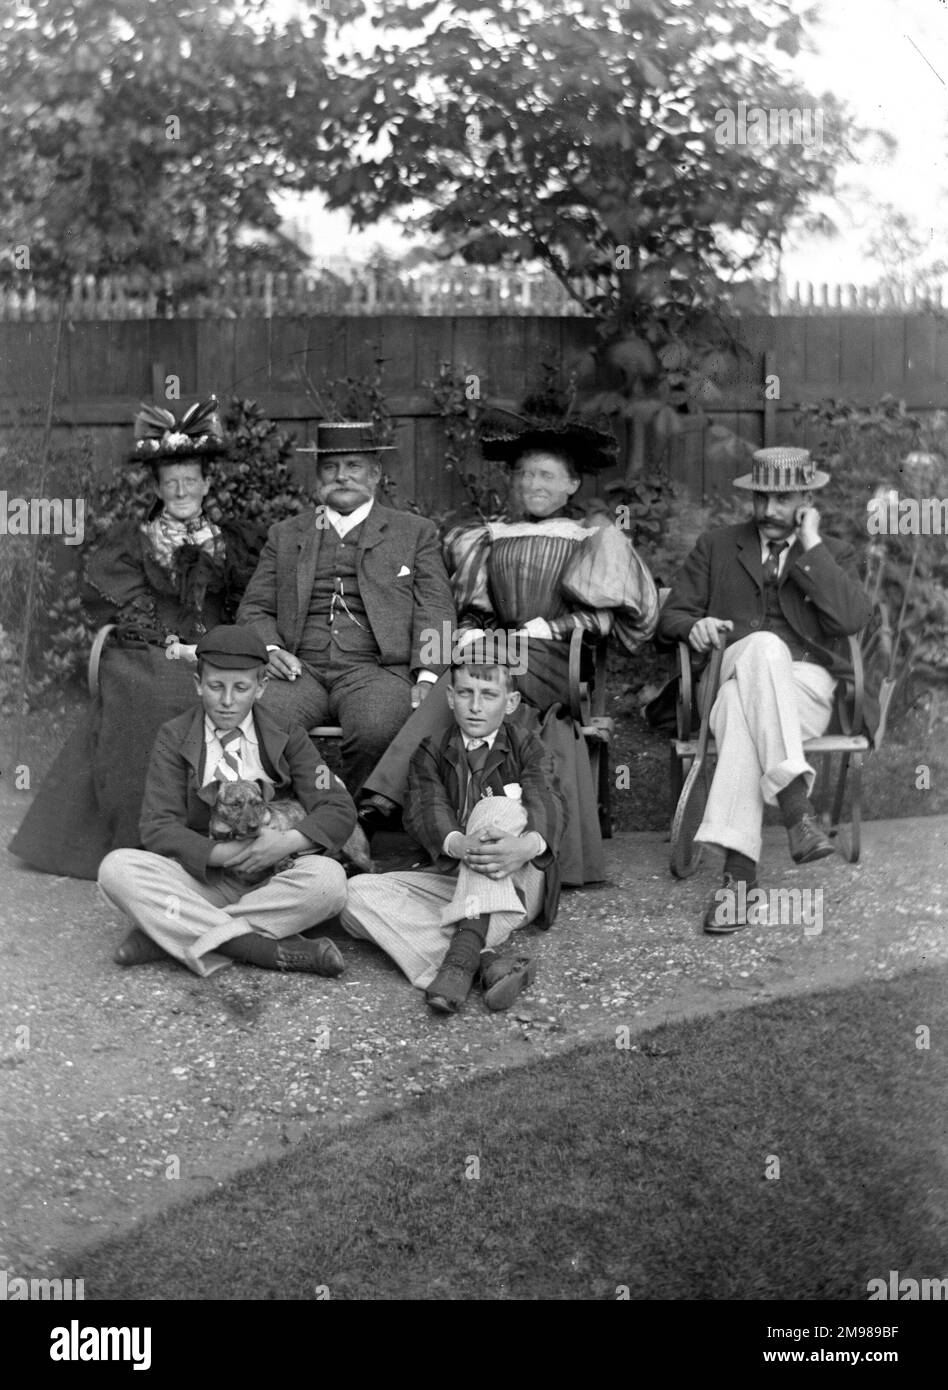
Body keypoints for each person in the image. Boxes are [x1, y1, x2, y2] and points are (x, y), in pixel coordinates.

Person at [358, 409, 659, 885]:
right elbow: (478, 607)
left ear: (572, 484)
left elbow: (605, 618)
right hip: (500, 652)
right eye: (524, 474)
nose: (532, 484)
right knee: (469, 675)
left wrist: (548, 629)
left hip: (560, 658)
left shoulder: (593, 537)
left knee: (472, 675)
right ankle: (428, 810)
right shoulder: (490, 536)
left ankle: (384, 794)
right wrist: (475, 628)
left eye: (546, 475)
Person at [9, 398, 263, 880]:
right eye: (172, 483)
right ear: (158, 488)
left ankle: (217, 831)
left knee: (216, 684)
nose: (182, 490)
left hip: (219, 647)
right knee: (150, 692)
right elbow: (131, 609)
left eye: (191, 481)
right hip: (151, 644)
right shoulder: (137, 540)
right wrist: (172, 643)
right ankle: (141, 838)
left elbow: (248, 606)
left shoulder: (233, 540)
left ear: (207, 484)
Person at [657, 446, 873, 933]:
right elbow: (669, 618)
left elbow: (854, 619)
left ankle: (738, 880)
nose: (769, 511)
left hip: (806, 689)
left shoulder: (832, 553)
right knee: (761, 649)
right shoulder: (717, 544)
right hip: (733, 665)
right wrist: (694, 626)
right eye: (761, 498)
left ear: (806, 499)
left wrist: (811, 546)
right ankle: (796, 809)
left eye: (782, 499)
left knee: (739, 708)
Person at [97, 626, 354, 976]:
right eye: (216, 687)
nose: (228, 701)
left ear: (261, 687)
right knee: (116, 869)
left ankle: (166, 935)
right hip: (203, 878)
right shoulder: (173, 737)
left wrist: (283, 845)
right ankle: (261, 948)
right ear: (198, 684)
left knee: (330, 881)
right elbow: (158, 827)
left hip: (272, 880)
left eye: (242, 688)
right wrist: (225, 855)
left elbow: (338, 807)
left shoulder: (288, 735)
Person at [236, 420, 457, 798]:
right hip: (299, 669)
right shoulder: (286, 534)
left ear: (375, 475)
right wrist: (271, 650)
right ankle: (290, 817)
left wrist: (427, 676)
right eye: (331, 468)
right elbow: (254, 608)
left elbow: (436, 607)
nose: (342, 477)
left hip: (376, 669)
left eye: (353, 467)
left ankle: (357, 816)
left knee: (378, 726)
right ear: (317, 477)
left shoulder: (414, 531)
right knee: (264, 719)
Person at [341, 658, 566, 1014]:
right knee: (353, 895)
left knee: (497, 811)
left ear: (510, 703)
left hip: (519, 878)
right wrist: (458, 842)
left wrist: (525, 846)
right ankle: (487, 961)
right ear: (449, 697)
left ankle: (460, 963)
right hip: (460, 878)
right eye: (466, 693)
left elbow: (548, 799)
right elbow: (426, 809)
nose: (475, 706)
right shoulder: (431, 750)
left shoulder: (528, 746)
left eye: (489, 695)